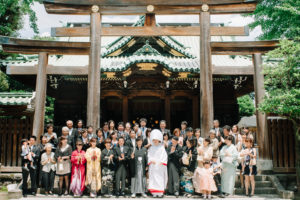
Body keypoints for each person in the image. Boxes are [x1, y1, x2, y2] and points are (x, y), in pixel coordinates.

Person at [148, 129, 168, 198]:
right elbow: (149, 156)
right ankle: (154, 193)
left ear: (159, 140)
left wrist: (162, 162)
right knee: (153, 179)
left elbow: (164, 156)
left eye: (156, 140)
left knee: (160, 179)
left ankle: (160, 193)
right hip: (153, 166)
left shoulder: (161, 148)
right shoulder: (151, 148)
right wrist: (151, 160)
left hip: (160, 166)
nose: (155, 142)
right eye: (154, 140)